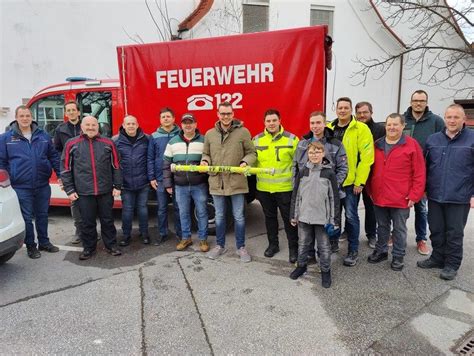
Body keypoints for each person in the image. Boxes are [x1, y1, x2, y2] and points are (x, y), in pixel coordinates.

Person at [418, 104, 474, 280]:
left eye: (456, 117)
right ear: (445, 118)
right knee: (436, 229)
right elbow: (425, 167)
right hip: (434, 195)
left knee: (454, 232)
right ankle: (437, 258)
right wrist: (423, 188)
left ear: (463, 120)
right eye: (449, 117)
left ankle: (451, 264)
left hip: (459, 196)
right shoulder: (433, 140)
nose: (452, 121)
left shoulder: (472, 139)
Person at [0, 105, 61, 259]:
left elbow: (53, 156)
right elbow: (2, 162)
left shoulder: (43, 136)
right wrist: (10, 177)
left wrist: (60, 174)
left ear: (32, 117)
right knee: (27, 218)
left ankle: (44, 242)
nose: (25, 119)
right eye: (22, 116)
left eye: (27, 116)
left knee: (43, 215)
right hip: (20, 186)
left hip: (42, 184)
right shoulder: (6, 138)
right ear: (16, 118)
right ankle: (31, 246)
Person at [367, 113, 425, 271]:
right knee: (382, 226)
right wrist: (370, 190)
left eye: (395, 124)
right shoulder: (377, 145)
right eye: (389, 125)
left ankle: (398, 256)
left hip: (401, 198)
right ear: (385, 126)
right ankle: (381, 251)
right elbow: (370, 169)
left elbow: (419, 172)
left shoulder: (411, 145)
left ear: (403, 126)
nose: (392, 128)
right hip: (379, 195)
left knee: (399, 229)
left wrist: (415, 195)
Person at [201, 102, 256, 262]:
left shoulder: (243, 132)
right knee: (219, 216)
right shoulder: (210, 134)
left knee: (238, 216)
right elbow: (206, 153)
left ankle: (241, 247)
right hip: (217, 181)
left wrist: (245, 162)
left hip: (236, 181)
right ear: (218, 114)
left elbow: (252, 153)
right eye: (223, 113)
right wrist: (205, 161)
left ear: (233, 114)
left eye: (228, 113)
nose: (226, 116)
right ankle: (220, 245)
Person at [61, 116, 122, 260]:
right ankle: (89, 248)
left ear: (98, 126)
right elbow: (65, 168)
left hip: (105, 190)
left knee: (107, 220)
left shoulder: (108, 143)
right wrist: (69, 189)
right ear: (82, 127)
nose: (91, 127)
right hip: (83, 191)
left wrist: (117, 185)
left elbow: (117, 166)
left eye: (93, 125)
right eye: (87, 125)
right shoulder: (72, 144)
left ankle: (111, 245)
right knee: (87, 222)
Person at [293, 111, 347, 261]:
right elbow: (295, 166)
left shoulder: (335, 144)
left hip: (328, 193)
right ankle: (309, 253)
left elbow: (343, 168)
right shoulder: (302, 143)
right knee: (307, 224)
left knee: (330, 221)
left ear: (324, 124)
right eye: (312, 123)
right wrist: (296, 186)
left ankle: (330, 247)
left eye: (318, 123)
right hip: (307, 193)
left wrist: (332, 186)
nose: (315, 126)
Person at [327, 97, 374, 266]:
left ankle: (353, 250)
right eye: (340, 108)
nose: (342, 110)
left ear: (351, 110)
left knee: (351, 216)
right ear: (336, 110)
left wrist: (359, 182)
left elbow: (367, 158)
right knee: (333, 216)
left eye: (346, 108)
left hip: (350, 183)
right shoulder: (329, 128)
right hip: (331, 182)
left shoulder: (360, 129)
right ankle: (332, 243)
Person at [289, 142, 340, 288]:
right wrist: (294, 215)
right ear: (308, 154)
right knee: (303, 244)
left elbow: (333, 198)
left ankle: (325, 271)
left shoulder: (329, 173)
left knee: (324, 247)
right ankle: (301, 266)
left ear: (323, 154)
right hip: (304, 217)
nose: (314, 155)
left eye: (318, 152)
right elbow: (296, 195)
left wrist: (334, 219)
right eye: (312, 152)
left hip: (322, 219)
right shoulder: (303, 171)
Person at [253, 109, 299, 263]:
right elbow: (252, 160)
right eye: (268, 121)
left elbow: (299, 164)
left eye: (274, 120)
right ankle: (273, 245)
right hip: (264, 189)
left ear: (280, 121)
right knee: (270, 218)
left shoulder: (292, 139)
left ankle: (294, 248)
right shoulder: (257, 140)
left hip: (285, 189)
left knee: (289, 220)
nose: (271, 123)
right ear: (264, 123)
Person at [402, 90, 444, 255]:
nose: (418, 103)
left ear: (426, 102)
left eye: (422, 100)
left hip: (424, 172)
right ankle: (395, 235)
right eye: (415, 100)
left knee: (421, 208)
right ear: (411, 101)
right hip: (404, 173)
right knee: (400, 208)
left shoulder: (436, 122)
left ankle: (421, 239)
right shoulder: (403, 120)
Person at [163, 113, 209, 252]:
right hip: (180, 185)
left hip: (199, 184)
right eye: (185, 123)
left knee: (202, 212)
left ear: (196, 124)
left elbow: (209, 158)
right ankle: (186, 238)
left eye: (191, 122)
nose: (188, 125)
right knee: (183, 213)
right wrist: (167, 184)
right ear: (181, 125)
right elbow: (166, 163)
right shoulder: (173, 142)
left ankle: (203, 240)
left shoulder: (204, 140)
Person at [114, 115, 150, 246]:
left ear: (137, 124)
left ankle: (144, 233)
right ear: (123, 125)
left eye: (133, 123)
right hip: (126, 183)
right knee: (127, 210)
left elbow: (149, 159)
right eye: (128, 124)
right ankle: (126, 235)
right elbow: (114, 164)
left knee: (143, 209)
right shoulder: (116, 141)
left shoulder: (146, 139)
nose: (130, 126)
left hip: (143, 182)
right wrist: (116, 182)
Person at [147, 107, 182, 244]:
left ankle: (181, 233)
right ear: (160, 120)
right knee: (161, 208)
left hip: (177, 177)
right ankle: (163, 233)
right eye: (163, 117)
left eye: (168, 116)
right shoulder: (154, 136)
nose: (166, 119)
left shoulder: (180, 134)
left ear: (173, 119)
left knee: (178, 208)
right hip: (160, 178)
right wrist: (151, 177)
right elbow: (150, 158)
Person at [355, 101, 385, 249]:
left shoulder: (380, 130)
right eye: (359, 113)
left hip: (372, 175)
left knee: (371, 207)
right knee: (350, 207)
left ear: (371, 113)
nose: (362, 115)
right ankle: (348, 232)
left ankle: (371, 234)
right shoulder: (352, 129)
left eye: (365, 112)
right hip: (354, 174)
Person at [54, 100, 83, 244]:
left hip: (86, 169)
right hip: (70, 170)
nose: (71, 112)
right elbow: (57, 150)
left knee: (90, 202)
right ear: (66, 113)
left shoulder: (87, 125)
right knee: (74, 201)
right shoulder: (61, 129)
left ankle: (90, 230)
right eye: (68, 110)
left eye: (73, 110)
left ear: (78, 112)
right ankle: (79, 231)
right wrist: (61, 173)